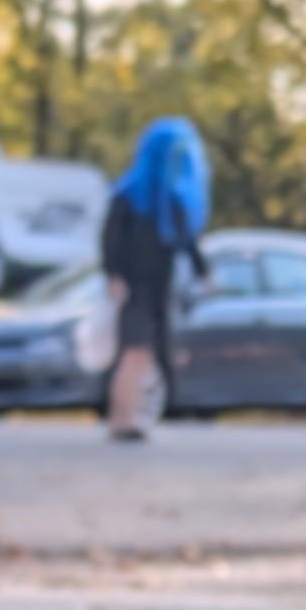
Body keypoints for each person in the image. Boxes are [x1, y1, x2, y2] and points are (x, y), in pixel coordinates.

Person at [101, 117, 211, 441]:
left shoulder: (172, 201)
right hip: (134, 288)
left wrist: (204, 273)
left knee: (146, 354)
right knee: (134, 352)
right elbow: (110, 240)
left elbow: (187, 242)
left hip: (159, 290)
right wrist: (113, 275)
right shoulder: (128, 196)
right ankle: (123, 419)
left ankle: (131, 417)